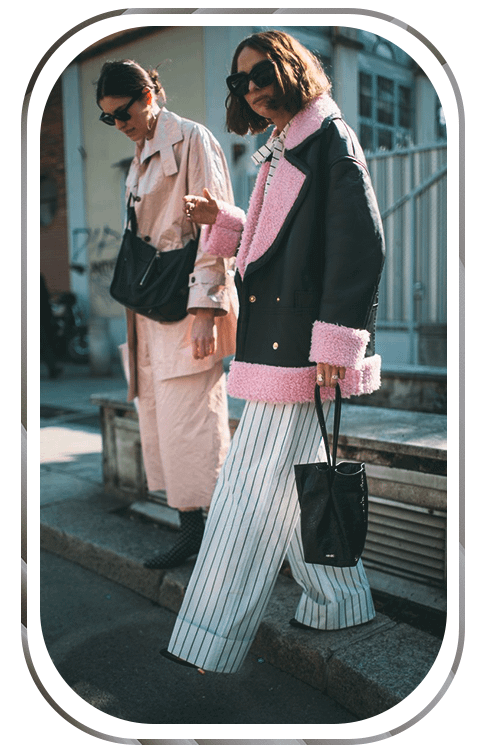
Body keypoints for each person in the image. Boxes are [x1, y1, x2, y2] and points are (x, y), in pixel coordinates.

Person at [160, 30, 386, 674]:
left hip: (301, 347)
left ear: (292, 68)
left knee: (245, 494)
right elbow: (277, 240)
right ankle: (340, 602)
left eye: (261, 74)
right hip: (284, 341)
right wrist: (226, 221)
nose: (251, 89)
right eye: (240, 81)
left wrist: (337, 341)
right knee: (293, 487)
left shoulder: (328, 140)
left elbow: (360, 246)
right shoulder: (290, 142)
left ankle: (207, 636)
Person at [96, 60, 238, 569]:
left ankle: (225, 540)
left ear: (148, 94)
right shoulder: (139, 156)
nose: (119, 123)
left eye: (124, 112)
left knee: (195, 424)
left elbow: (217, 228)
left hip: (184, 306)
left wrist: (205, 310)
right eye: (108, 117)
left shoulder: (192, 139)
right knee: (166, 427)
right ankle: (191, 532)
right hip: (150, 308)